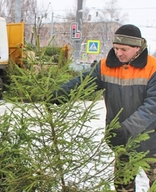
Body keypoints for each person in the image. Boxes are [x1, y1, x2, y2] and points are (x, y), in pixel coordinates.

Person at [51, 24, 156, 191]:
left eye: (124, 49)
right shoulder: (105, 66)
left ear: (137, 48)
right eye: (115, 48)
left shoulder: (152, 68)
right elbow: (83, 82)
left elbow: (153, 105)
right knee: (122, 186)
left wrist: (126, 129)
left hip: (151, 143)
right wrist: (60, 94)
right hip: (122, 143)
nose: (118, 53)